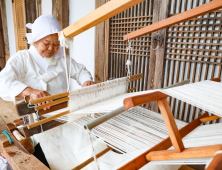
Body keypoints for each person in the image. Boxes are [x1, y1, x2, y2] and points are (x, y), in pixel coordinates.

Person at [0, 15, 95, 168]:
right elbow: (2, 82)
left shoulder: (63, 59)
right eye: (47, 43)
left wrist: (86, 81)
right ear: (35, 40)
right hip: (38, 127)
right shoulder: (23, 59)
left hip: (64, 119)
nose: (52, 48)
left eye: (56, 44)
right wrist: (29, 91)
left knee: (86, 152)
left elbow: (81, 71)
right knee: (54, 160)